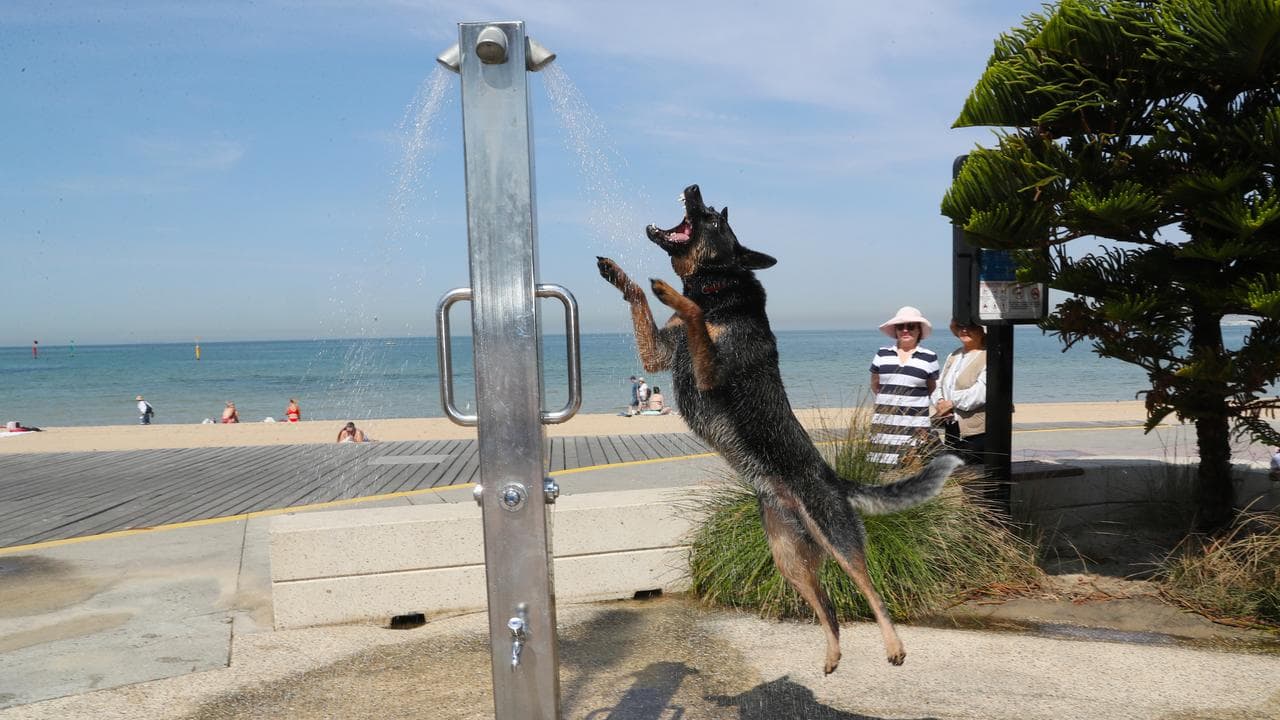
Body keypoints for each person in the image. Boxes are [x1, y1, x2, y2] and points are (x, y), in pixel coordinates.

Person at [868, 306, 940, 467]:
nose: (905, 330)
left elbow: (931, 388)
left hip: (915, 427)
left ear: (919, 330)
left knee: (912, 472)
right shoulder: (882, 354)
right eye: (901, 326)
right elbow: (875, 385)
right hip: (884, 426)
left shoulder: (929, 357)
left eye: (911, 326)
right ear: (895, 330)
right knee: (880, 470)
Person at [931, 319, 988, 465]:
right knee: (953, 470)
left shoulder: (988, 355)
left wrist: (952, 403)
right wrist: (940, 402)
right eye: (961, 326)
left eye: (971, 326)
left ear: (982, 330)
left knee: (973, 470)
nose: (964, 330)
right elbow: (939, 383)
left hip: (977, 431)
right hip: (952, 427)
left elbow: (981, 392)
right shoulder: (954, 355)